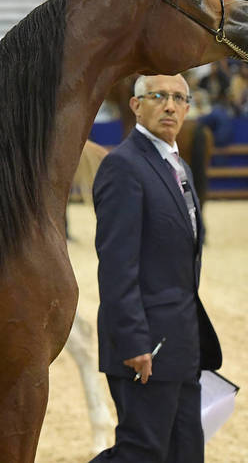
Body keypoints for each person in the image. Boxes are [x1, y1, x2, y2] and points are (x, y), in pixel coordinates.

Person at [91, 74, 222, 462]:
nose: (170, 105)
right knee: (141, 453)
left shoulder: (178, 166)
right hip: (144, 345)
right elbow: (117, 264)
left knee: (185, 453)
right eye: (159, 96)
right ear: (136, 106)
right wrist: (134, 340)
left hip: (182, 344)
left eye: (179, 98)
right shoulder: (123, 167)